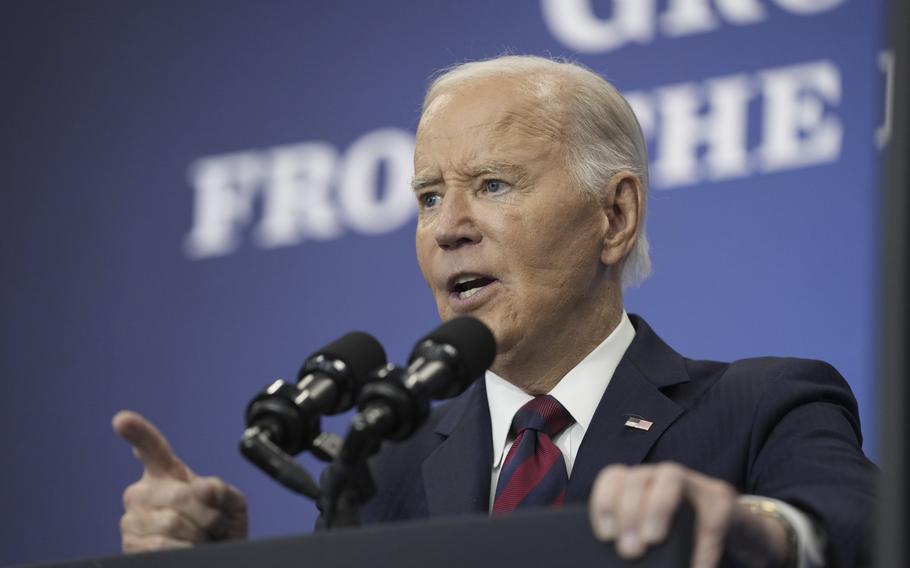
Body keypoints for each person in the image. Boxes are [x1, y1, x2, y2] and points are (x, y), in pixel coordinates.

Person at [113, 55, 875, 567]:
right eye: (429, 197)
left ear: (614, 217)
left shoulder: (762, 405)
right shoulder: (383, 468)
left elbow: (863, 529)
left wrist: (757, 530)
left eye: (494, 185)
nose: (449, 227)